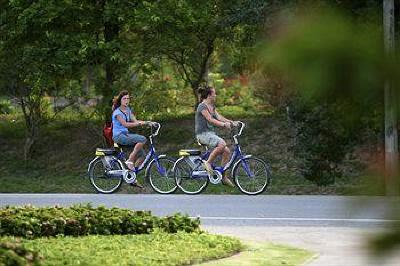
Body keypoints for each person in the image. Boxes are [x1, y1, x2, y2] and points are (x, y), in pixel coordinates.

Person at [195, 86, 237, 187]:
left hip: (210, 134)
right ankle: (208, 163)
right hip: (202, 134)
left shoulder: (212, 107)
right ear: (209, 95)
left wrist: (231, 122)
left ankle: (223, 177)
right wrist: (223, 125)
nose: (215, 95)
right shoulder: (202, 106)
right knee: (222, 143)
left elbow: (219, 117)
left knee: (226, 151)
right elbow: (210, 119)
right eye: (214, 93)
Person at [112, 90, 146, 187]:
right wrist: (138, 123)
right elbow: (125, 124)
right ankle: (130, 160)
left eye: (128, 98)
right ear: (120, 100)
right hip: (119, 136)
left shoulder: (128, 110)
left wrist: (147, 122)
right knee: (142, 139)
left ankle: (132, 178)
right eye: (124, 98)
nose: (127, 100)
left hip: (125, 135)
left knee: (142, 156)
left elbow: (135, 121)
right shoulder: (117, 112)